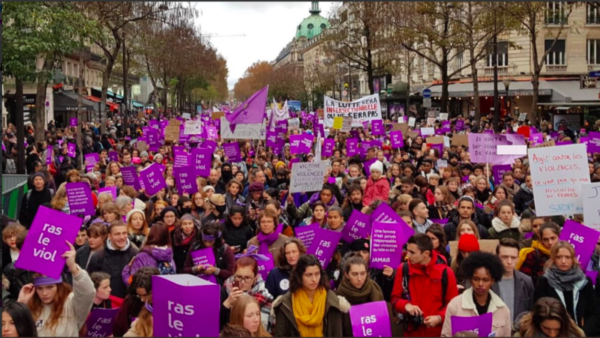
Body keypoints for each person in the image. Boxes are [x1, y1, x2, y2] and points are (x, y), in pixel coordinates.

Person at [17, 241, 95, 337]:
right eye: (39, 288)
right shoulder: (31, 304)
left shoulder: (70, 303)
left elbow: (87, 293)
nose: (44, 293)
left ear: (59, 286)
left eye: (50, 287)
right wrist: (21, 304)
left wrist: (73, 268)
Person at [391, 233, 459, 337]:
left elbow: (453, 305)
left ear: (426, 253)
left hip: (437, 332)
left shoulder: (446, 272)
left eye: (412, 252)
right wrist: (406, 306)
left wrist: (439, 318)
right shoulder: (403, 269)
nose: (407, 255)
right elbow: (395, 299)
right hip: (411, 332)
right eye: (407, 250)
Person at [273, 255, 348, 337]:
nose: (314, 279)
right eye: (308, 275)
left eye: (317, 274)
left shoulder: (331, 300)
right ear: (299, 276)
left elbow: (337, 334)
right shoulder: (286, 303)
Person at [441, 251, 512, 337]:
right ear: (470, 279)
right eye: (476, 279)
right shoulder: (455, 306)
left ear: (492, 281)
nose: (480, 284)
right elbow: (446, 335)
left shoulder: (503, 310)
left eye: (485, 280)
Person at [533, 241, 598, 334]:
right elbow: (539, 311)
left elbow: (593, 313)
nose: (563, 261)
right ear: (553, 259)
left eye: (567, 257)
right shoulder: (544, 281)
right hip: (553, 333)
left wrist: (583, 333)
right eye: (559, 257)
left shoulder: (585, 281)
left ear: (573, 259)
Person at [337, 254, 401, 337]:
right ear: (346, 274)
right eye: (354, 274)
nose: (359, 278)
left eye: (363, 273)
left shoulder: (375, 289)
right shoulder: (339, 295)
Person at [87, 220, 139, 299]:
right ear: (109, 236)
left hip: (130, 304)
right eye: (117, 234)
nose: (122, 237)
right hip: (106, 304)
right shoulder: (98, 257)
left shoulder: (135, 254)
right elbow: (90, 284)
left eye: (124, 233)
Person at [220, 256, 273, 331]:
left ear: (255, 277)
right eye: (239, 277)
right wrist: (227, 303)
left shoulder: (263, 296)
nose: (242, 282)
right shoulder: (225, 291)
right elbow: (216, 324)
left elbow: (264, 329)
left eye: (247, 278)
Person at [492, 238, 533, 322]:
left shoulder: (526, 281)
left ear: (518, 258)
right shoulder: (488, 281)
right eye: (504, 257)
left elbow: (530, 310)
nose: (509, 261)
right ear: (497, 257)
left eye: (513, 257)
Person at [183, 221, 235, 286]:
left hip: (219, 287)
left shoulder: (225, 249)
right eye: (204, 241)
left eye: (211, 241)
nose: (207, 244)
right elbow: (185, 269)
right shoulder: (195, 247)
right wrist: (196, 269)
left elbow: (231, 272)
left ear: (216, 239)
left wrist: (215, 271)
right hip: (198, 284)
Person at [112, 267, 159, 338]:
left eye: (145, 295)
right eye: (139, 295)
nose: (142, 299)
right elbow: (119, 327)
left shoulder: (166, 304)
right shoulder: (130, 301)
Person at [514, 297, 585, 337]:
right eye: (546, 328)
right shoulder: (521, 335)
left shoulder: (576, 335)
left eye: (557, 329)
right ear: (536, 323)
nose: (552, 334)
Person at [518, 222, 560, 286]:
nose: (550, 242)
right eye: (545, 239)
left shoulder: (565, 253)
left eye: (553, 238)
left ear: (559, 237)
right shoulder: (533, 255)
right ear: (541, 240)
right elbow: (523, 280)